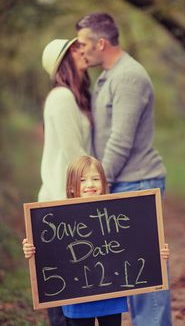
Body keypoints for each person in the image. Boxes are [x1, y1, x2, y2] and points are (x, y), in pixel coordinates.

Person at [76, 12, 172, 326]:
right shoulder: (108, 75)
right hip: (123, 184)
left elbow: (121, 140)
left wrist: (100, 183)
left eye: (83, 44)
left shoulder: (128, 76)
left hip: (138, 183)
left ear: (101, 43)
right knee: (128, 274)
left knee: (145, 276)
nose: (81, 50)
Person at [24, 156, 170, 325]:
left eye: (95, 179)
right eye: (82, 180)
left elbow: (135, 245)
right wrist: (30, 250)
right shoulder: (59, 218)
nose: (90, 185)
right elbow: (47, 250)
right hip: (76, 298)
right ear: (71, 187)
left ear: (104, 184)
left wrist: (157, 252)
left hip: (111, 296)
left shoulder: (117, 213)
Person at [30, 38, 93, 326]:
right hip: (60, 203)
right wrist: (98, 186)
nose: (82, 51)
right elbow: (75, 155)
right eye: (74, 49)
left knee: (73, 290)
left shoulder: (72, 97)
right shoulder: (61, 97)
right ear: (63, 61)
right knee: (62, 292)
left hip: (67, 202)